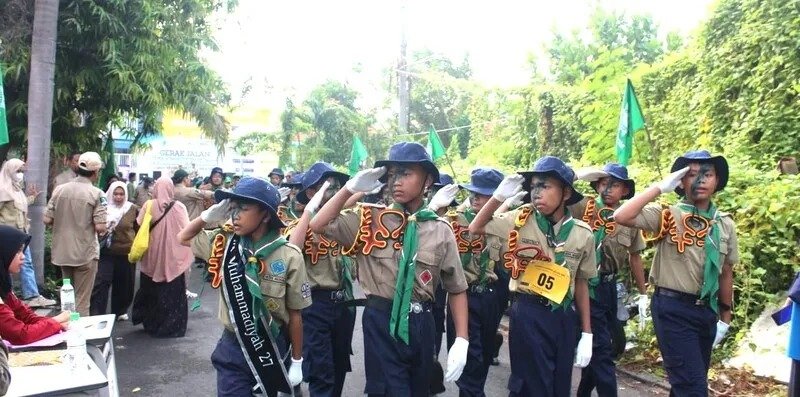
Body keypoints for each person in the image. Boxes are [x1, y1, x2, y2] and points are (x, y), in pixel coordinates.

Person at [309, 142, 469, 397]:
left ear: (427, 180)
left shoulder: (440, 230)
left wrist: (461, 339)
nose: (396, 181)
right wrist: (350, 189)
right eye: (392, 174)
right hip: (381, 321)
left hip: (422, 323)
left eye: (405, 174)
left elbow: (457, 287)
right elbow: (317, 224)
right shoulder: (368, 220)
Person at [468, 156, 596, 397]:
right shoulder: (521, 219)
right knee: (530, 386)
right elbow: (476, 227)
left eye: (545, 186)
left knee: (559, 385)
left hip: (564, 315)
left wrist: (587, 332)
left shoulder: (582, 234)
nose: (537, 192)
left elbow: (581, 282)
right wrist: (498, 197)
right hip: (529, 312)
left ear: (566, 193)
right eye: (534, 186)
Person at [614, 150, 737, 396]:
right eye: (692, 174)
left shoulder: (724, 223)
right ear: (681, 181)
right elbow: (622, 215)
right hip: (673, 310)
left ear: (717, 180)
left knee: (688, 382)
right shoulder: (668, 215)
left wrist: (725, 316)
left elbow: (726, 271)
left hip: (706, 311)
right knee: (693, 388)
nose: (700, 180)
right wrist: (660, 187)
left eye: (708, 174)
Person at [177, 177, 309, 396]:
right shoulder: (225, 242)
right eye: (233, 208)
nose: (235, 216)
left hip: (272, 349)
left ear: (266, 214)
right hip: (232, 348)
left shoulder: (288, 256)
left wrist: (297, 360)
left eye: (244, 209)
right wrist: (205, 217)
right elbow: (183, 237)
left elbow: (296, 315)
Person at [571, 163, 648, 397]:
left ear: (625, 191)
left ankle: (583, 392)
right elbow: (561, 192)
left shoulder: (630, 217)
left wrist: (644, 293)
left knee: (602, 343)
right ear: (596, 186)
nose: (608, 189)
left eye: (615, 185)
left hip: (610, 288)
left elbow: (635, 257)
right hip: (586, 284)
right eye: (604, 183)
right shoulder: (585, 206)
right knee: (603, 348)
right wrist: (578, 175)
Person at [286, 162, 354, 397]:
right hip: (314, 305)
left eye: (338, 186)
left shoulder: (342, 223)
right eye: (328, 186)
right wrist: (308, 212)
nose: (335, 190)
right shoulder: (301, 226)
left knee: (339, 368)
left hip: (342, 303)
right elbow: (291, 251)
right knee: (321, 372)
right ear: (312, 193)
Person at [440, 167, 504, 397]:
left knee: (484, 356)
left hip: (490, 295)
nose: (476, 197)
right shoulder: (452, 220)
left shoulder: (502, 223)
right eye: (473, 192)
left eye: (484, 193)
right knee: (469, 358)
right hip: (463, 295)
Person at [44, 152, 108, 317]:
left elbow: (46, 219)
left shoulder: (59, 190)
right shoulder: (97, 194)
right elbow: (100, 227)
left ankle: (65, 331)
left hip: (63, 253)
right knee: (82, 300)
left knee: (68, 297)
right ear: (96, 172)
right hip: (85, 254)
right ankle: (80, 337)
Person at [130, 176, 193, 337]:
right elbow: (186, 229)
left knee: (151, 289)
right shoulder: (179, 206)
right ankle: (172, 327)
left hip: (153, 254)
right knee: (173, 291)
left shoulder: (149, 205)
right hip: (173, 256)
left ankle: (152, 324)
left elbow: (139, 223)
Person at [0, 225, 70, 345]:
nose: (23, 256)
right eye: (17, 251)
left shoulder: (3, 285)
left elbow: (26, 316)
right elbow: (20, 335)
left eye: (23, 251)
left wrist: (54, 325)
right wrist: (55, 321)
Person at [0, 159, 55, 308]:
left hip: (20, 234)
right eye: (18, 171)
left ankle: (21, 296)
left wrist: (31, 197)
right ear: (10, 170)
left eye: (22, 172)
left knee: (23, 264)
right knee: (9, 267)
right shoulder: (3, 189)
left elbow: (19, 206)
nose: (20, 175)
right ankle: (17, 296)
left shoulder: (15, 189)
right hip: (7, 237)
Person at [90, 181, 138, 320]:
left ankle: (120, 311)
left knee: (124, 284)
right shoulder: (102, 208)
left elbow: (137, 228)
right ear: (110, 194)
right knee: (101, 282)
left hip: (125, 252)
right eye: (116, 194)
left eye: (122, 194)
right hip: (106, 251)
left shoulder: (132, 208)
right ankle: (97, 313)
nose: (118, 197)